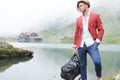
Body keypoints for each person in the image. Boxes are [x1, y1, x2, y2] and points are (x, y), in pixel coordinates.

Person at [73, 0, 104, 80]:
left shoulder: (96, 16)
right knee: (82, 66)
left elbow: (101, 29)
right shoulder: (78, 19)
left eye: (81, 5)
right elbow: (76, 33)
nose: (79, 8)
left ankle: (99, 76)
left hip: (92, 44)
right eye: (79, 7)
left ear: (86, 5)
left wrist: (97, 41)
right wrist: (75, 47)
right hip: (81, 46)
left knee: (97, 61)